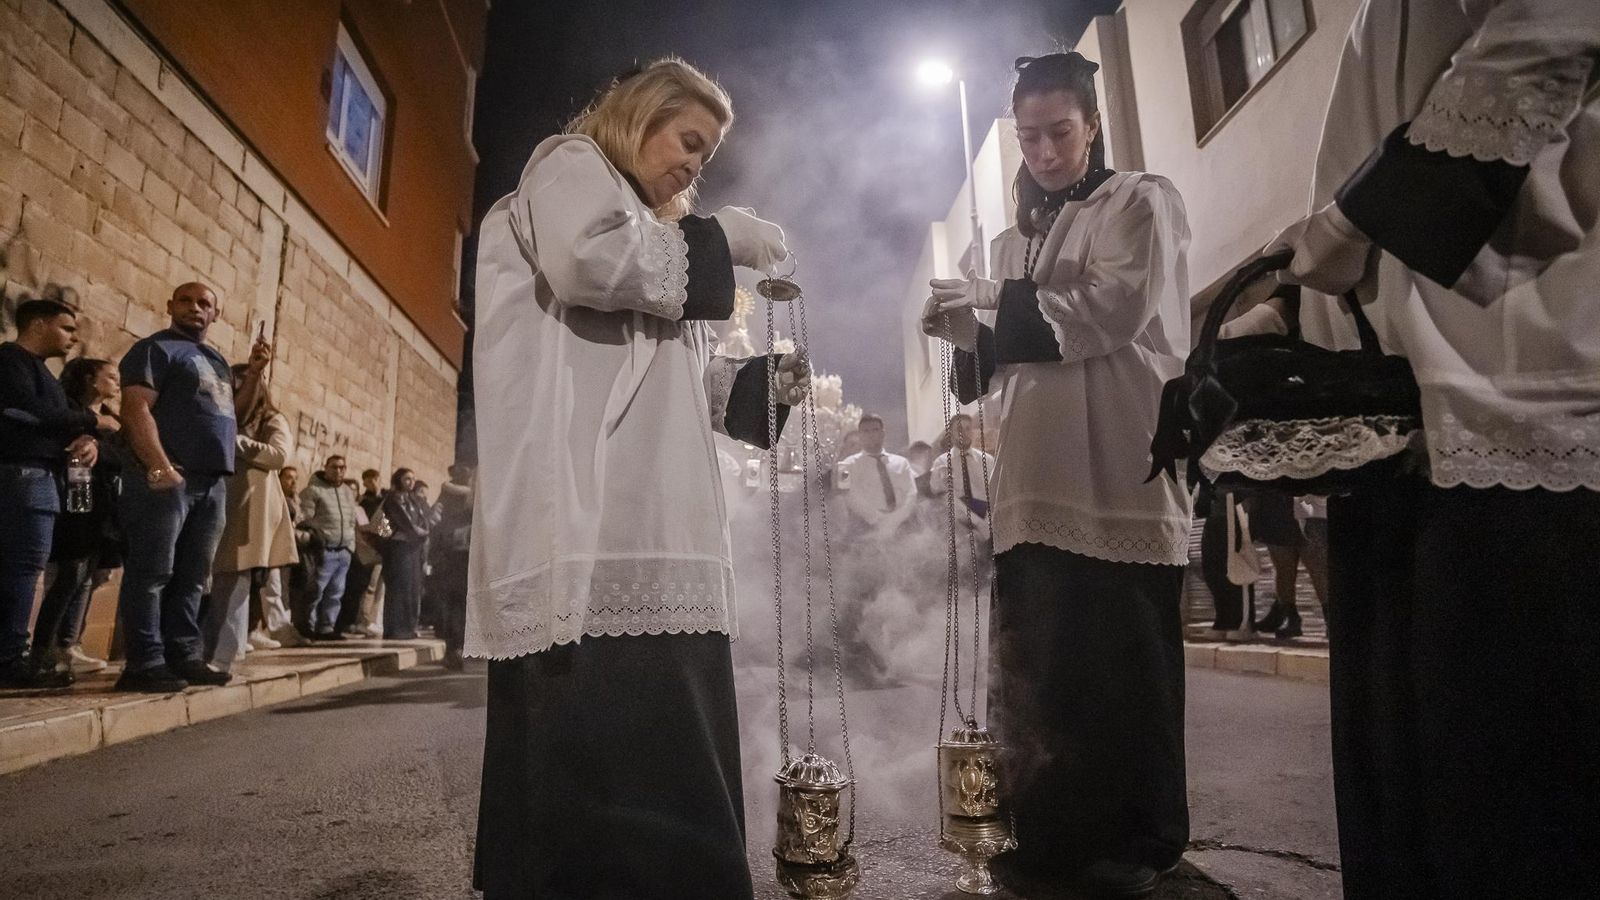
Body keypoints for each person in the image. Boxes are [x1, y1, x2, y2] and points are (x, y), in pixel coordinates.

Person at [1274, 2, 1600, 896]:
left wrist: (1341, 229)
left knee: (1509, 785)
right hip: (1403, 393)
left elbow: (1543, 37)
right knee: (1413, 768)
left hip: (1515, 370)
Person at [468, 57, 808, 899]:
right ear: (641, 115)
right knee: (614, 754)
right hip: (594, 522)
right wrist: (723, 235)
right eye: (688, 141)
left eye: (709, 156)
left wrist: (758, 387)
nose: (696, 166)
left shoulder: (660, 241)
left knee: (664, 743)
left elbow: (677, 386)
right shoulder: (569, 168)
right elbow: (590, 265)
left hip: (659, 513)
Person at [923, 52, 1193, 897]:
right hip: (1033, 474)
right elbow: (1003, 364)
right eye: (1029, 136)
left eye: (1059, 132)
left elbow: (1113, 308)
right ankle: (1041, 834)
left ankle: (1134, 840)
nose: (1042, 151)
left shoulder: (1140, 201)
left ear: (1093, 123)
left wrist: (990, 309)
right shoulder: (1009, 242)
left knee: (1122, 663)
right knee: (1040, 664)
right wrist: (958, 330)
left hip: (1118, 460)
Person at [114, 282, 266, 692]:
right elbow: (135, 407)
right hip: (169, 477)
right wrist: (159, 466)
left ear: (215, 314)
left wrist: (252, 375)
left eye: (204, 304)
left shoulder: (214, 358)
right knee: (152, 572)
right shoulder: (155, 349)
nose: (194, 308)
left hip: (211, 481)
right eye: (186, 300)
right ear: (170, 306)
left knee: (193, 576)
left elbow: (233, 415)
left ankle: (183, 655)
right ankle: (144, 663)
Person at [0, 299, 105, 689]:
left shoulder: (45, 375)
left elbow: (61, 424)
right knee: (22, 570)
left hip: (45, 477)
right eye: (65, 328)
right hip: (23, 474)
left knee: (27, 569)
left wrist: (86, 439)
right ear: (39, 324)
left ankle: (16, 655)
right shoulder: (12, 362)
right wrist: (92, 421)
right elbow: (28, 412)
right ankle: (11, 659)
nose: (73, 338)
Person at [29, 357, 122, 679]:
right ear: (90, 380)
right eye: (110, 377)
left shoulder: (109, 419)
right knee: (71, 572)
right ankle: (45, 647)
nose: (116, 383)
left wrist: (98, 442)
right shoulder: (72, 412)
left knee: (89, 575)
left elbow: (120, 453)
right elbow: (69, 454)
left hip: (102, 501)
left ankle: (68, 643)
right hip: (76, 496)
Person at [201, 365, 297, 671]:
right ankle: (212, 650)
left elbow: (279, 456)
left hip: (250, 508)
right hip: (222, 501)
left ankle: (225, 655)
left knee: (235, 580)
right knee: (216, 580)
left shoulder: (271, 419)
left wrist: (235, 441)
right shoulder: (225, 415)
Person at [298, 455, 359, 640]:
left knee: (336, 592)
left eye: (342, 467)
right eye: (334, 467)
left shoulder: (348, 491)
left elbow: (352, 520)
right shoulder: (313, 490)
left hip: (344, 550)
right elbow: (305, 519)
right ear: (325, 467)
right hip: (324, 549)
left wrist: (350, 546)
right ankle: (307, 627)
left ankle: (327, 627)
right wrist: (317, 540)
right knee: (315, 591)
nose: (338, 471)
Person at [835, 414, 918, 535]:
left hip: (901, 527)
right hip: (865, 529)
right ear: (860, 435)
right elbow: (847, 495)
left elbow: (912, 493)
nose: (871, 434)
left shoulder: (902, 462)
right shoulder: (844, 466)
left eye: (875, 430)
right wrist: (878, 519)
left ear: (883, 433)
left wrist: (895, 519)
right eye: (866, 431)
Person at [429, 464, 475, 669]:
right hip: (456, 561)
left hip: (452, 560)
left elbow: (436, 530)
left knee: (452, 605)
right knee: (456, 605)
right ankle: (455, 647)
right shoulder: (468, 503)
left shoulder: (443, 501)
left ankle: (454, 647)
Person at [379, 468, 430, 640]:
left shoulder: (414, 499)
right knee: (399, 588)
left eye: (413, 479)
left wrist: (424, 530)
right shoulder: (393, 498)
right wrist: (418, 532)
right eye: (407, 479)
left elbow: (423, 520)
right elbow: (404, 521)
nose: (411, 482)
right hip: (399, 548)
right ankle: (395, 629)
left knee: (412, 588)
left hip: (413, 548)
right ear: (399, 479)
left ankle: (408, 628)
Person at [928, 412, 995, 536]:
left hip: (988, 521)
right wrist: (978, 523)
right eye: (959, 429)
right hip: (958, 525)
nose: (964, 433)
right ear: (951, 433)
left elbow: (995, 492)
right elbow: (938, 492)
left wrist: (987, 523)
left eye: (968, 428)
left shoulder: (987, 460)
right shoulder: (942, 462)